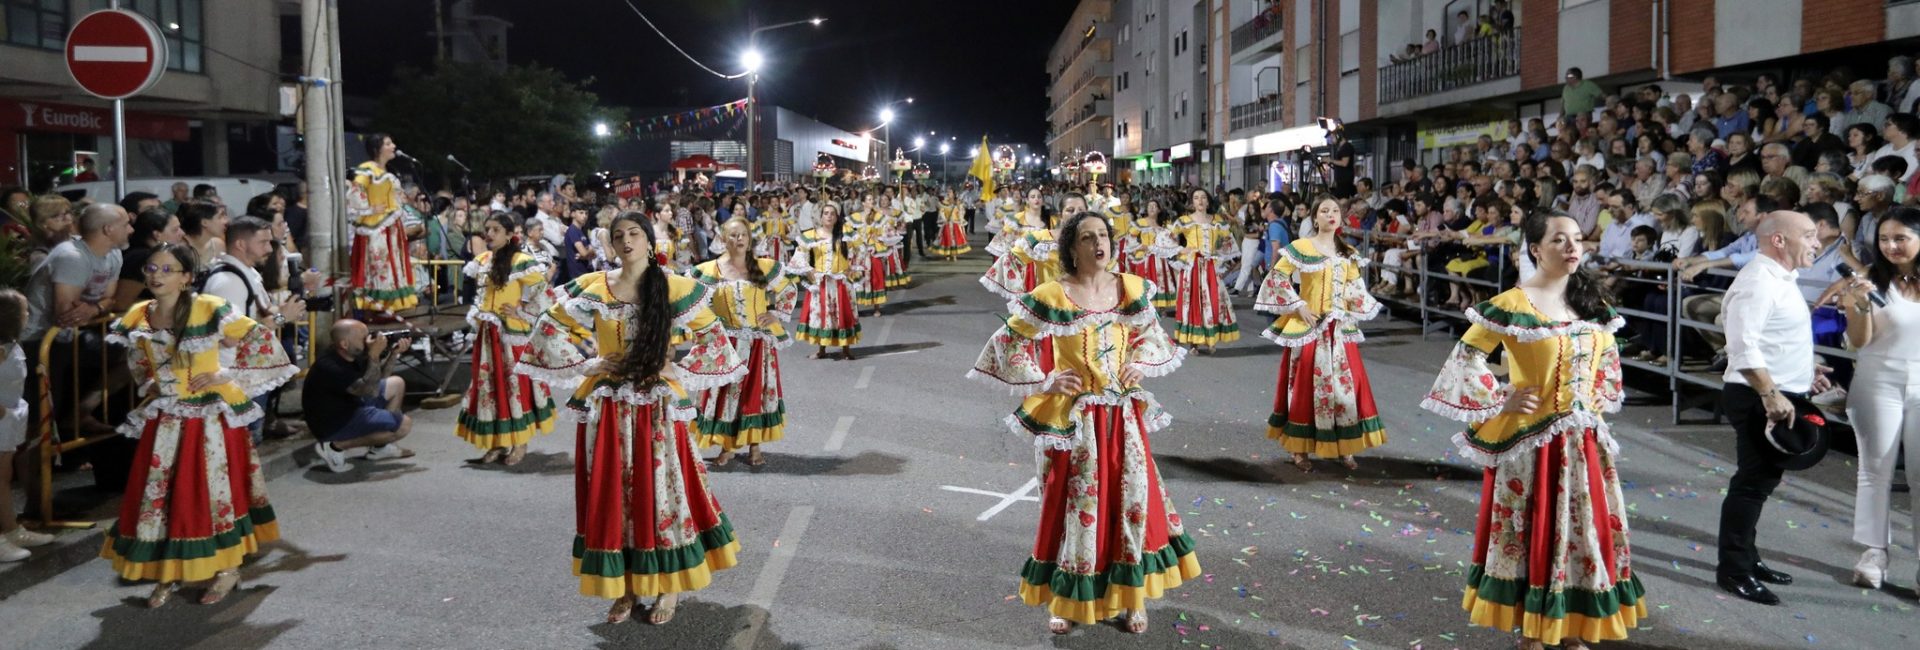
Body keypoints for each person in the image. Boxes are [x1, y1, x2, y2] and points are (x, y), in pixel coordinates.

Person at [966, 210, 1198, 636]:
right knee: (1074, 509)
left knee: (1131, 504)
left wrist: (1141, 363)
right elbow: (1006, 343)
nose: (1098, 243)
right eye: (1087, 237)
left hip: (1124, 418)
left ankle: (1132, 599)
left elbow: (1153, 335)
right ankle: (1068, 602)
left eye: (1103, 235)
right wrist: (1046, 379)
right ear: (1072, 249)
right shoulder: (1053, 293)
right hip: (1076, 421)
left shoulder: (1131, 288)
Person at [1422, 213, 1645, 649]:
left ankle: (1574, 624)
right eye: (1559, 240)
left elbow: (1608, 362)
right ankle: (1532, 631)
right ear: (1536, 249)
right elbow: (1465, 358)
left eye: (1577, 239)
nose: (1571, 247)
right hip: (1530, 443)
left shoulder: (1594, 303)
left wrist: (1598, 394)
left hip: (1583, 444)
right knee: (1532, 531)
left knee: (1583, 531)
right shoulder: (1512, 303)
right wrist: (1499, 395)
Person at [518, 211, 747, 625]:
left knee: (659, 494)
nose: (626, 241)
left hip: (656, 406)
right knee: (613, 495)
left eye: (634, 234)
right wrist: (590, 364)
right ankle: (623, 589)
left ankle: (668, 588)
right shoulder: (595, 285)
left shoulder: (674, 286)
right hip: (609, 404)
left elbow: (715, 339)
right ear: (610, 243)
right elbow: (547, 326)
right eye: (618, 235)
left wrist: (674, 369)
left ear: (648, 240)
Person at [101, 242, 295, 607]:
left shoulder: (210, 308)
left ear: (187, 277)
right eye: (151, 269)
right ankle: (169, 571)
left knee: (212, 493)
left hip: (209, 419)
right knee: (163, 496)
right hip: (165, 418)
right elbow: (138, 361)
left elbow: (261, 342)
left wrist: (222, 373)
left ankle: (227, 569)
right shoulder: (140, 313)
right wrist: (153, 383)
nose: (156, 276)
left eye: (166, 269)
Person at [1715, 209, 1828, 606]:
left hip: (1779, 393)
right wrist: (1770, 394)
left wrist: (1805, 370)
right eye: (1810, 235)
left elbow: (1770, 337)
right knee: (1752, 485)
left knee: (1760, 483)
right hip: (1759, 398)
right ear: (1779, 240)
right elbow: (1742, 346)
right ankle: (1734, 570)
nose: (1817, 242)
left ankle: (1749, 557)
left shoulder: (1781, 278)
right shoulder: (1759, 281)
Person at [1256, 195, 1386, 471]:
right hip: (1309, 329)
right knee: (1305, 389)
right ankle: (1299, 449)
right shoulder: (1302, 247)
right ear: (1314, 217)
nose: (1331, 214)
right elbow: (1277, 278)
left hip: (1339, 331)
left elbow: (1354, 286)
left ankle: (1344, 447)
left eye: (1335, 210)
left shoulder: (1347, 251)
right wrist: (1298, 305)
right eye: (1325, 210)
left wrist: (1350, 305)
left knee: (1345, 390)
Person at [1835, 207, 1920, 590]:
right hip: (1877, 380)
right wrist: (1858, 304)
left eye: (1900, 237)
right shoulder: (1868, 280)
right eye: (1884, 239)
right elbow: (1858, 340)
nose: (1890, 246)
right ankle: (1874, 551)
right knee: (1875, 469)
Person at [690, 218, 800, 466]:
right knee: (727, 394)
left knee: (754, 393)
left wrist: (776, 314)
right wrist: (707, 326)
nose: (738, 239)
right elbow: (693, 300)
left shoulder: (763, 267)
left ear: (749, 238)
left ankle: (754, 445)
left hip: (757, 343)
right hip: (726, 344)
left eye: (742, 235)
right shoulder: (710, 270)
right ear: (722, 239)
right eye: (732, 235)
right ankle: (728, 446)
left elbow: (789, 289)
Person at [455, 212, 558, 465]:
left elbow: (543, 294)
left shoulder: (522, 261)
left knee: (515, 387)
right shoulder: (483, 260)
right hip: (487, 336)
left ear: (509, 234)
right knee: (489, 388)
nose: (489, 234)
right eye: (487, 229)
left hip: (512, 335)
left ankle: (520, 443)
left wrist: (521, 311)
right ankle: (497, 443)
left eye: (495, 230)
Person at [304, 319, 417, 473]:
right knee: (403, 426)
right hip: (334, 423)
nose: (369, 340)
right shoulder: (331, 366)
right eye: (362, 337)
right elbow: (367, 390)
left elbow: (378, 378)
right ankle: (335, 446)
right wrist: (374, 356)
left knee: (396, 383)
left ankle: (380, 448)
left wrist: (394, 354)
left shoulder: (353, 352)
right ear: (344, 344)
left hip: (351, 404)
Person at [0, 289, 54, 562]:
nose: (28, 314)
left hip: (8, 419)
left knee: (4, 478)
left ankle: (10, 529)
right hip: (2, 418)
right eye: (25, 310)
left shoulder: (10, 344)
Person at [347, 134, 420, 315]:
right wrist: (370, 210)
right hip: (376, 230)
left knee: (393, 266)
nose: (393, 146)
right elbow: (354, 194)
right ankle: (378, 308)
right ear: (377, 149)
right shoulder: (367, 170)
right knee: (380, 267)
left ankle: (393, 306)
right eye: (388, 143)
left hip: (391, 229)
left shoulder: (386, 172)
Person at [789, 203, 863, 360]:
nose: (829, 216)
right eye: (826, 213)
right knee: (822, 315)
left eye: (832, 214)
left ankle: (846, 348)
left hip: (841, 282)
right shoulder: (812, 235)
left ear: (836, 218)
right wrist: (810, 269)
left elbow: (861, 250)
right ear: (820, 217)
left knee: (842, 314)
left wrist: (852, 266)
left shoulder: (845, 233)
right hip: (822, 283)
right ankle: (821, 349)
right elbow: (799, 256)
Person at [1171, 190, 1241, 353]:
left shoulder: (1218, 221)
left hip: (1211, 266)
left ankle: (1211, 340)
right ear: (1192, 202)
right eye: (1196, 198)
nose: (1200, 201)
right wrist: (1182, 249)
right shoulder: (1184, 221)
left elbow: (1228, 242)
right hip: (1191, 267)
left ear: (1208, 202)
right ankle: (1194, 342)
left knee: (1215, 301)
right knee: (1193, 301)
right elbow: (1167, 239)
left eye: (1203, 198)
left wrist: (1221, 257)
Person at [1126, 198, 1181, 309]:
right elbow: (1130, 238)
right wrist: (1138, 247)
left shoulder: (1163, 226)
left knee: (1160, 281)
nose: (1151, 208)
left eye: (1154, 206)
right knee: (1144, 282)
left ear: (1159, 210)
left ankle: (1159, 307)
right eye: (1149, 206)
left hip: (1159, 259)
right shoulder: (1140, 223)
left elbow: (1171, 243)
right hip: (1144, 257)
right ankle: (1143, 306)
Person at [931, 189, 972, 261]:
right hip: (947, 223)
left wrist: (959, 210)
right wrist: (944, 220)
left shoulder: (958, 203)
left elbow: (961, 213)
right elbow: (941, 212)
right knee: (947, 238)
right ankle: (947, 254)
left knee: (955, 239)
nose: (948, 193)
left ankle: (954, 254)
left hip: (955, 223)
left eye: (950, 192)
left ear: (953, 193)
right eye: (948, 192)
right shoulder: (944, 202)